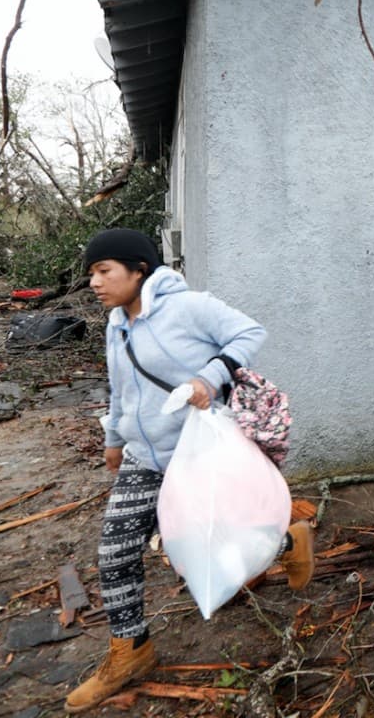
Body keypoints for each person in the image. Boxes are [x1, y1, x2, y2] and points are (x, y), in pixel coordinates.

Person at [65, 228, 315, 713]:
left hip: (199, 456)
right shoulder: (116, 324)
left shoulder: (189, 307)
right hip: (144, 457)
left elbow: (250, 332)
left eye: (104, 271)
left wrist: (210, 375)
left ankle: (287, 541)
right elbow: (120, 390)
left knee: (224, 540)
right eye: (91, 273)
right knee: (115, 553)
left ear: (139, 270)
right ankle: (130, 650)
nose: (94, 282)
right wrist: (115, 441)